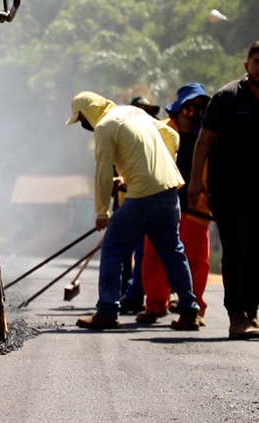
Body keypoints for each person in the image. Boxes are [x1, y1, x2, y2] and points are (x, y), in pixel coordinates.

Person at [66, 91, 200, 330]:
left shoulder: (105, 127)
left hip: (142, 197)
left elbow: (103, 174)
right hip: (169, 191)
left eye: (81, 119)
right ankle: (189, 311)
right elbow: (171, 135)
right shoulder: (135, 112)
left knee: (113, 248)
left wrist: (101, 214)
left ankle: (107, 311)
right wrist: (161, 167)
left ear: (88, 112)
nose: (83, 125)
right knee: (173, 252)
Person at [188, 41, 259, 339]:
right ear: (247, 65)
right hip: (229, 188)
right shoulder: (227, 97)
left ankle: (251, 314)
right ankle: (236, 315)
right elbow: (203, 141)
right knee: (236, 249)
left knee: (256, 251)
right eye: (257, 60)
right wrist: (195, 181)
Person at [135, 83, 212, 328]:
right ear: (179, 107)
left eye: (200, 106)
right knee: (154, 255)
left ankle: (194, 309)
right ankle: (155, 305)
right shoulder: (162, 131)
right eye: (190, 104)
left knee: (197, 260)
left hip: (197, 205)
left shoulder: (209, 135)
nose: (194, 110)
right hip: (163, 201)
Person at [119, 96, 161, 313]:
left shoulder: (159, 133)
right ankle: (128, 291)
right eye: (140, 110)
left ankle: (137, 294)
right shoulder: (124, 136)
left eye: (148, 111)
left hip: (151, 200)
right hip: (128, 202)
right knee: (127, 250)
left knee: (147, 251)